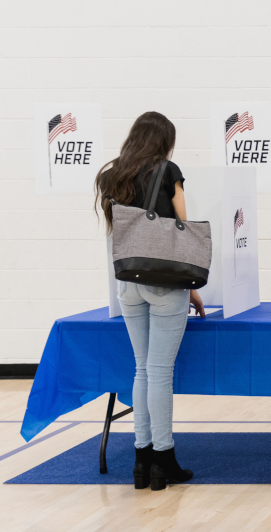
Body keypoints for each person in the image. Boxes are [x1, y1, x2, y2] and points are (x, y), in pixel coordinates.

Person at [95, 111, 204, 491]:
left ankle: (141, 460)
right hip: (163, 284)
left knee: (141, 369)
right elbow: (182, 230)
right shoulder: (169, 171)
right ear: (164, 142)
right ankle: (164, 460)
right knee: (159, 372)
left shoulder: (113, 174)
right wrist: (190, 285)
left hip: (127, 282)